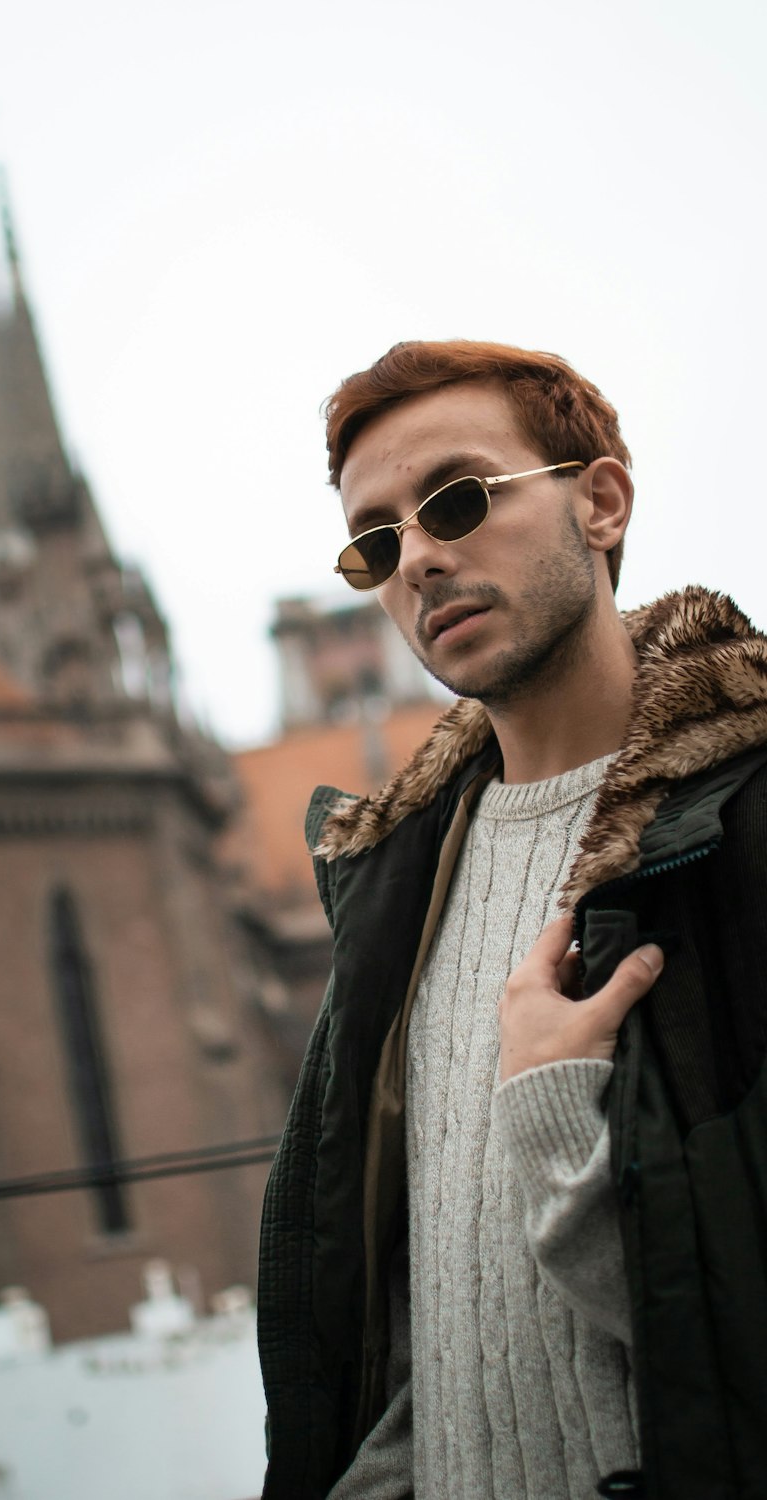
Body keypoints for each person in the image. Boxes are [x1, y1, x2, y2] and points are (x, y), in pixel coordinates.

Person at [256, 340, 767, 1500]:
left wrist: (553, 1119)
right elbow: (398, 1337)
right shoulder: (392, 889)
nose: (421, 560)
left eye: (459, 499)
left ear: (599, 501)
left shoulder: (741, 820)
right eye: (378, 542)